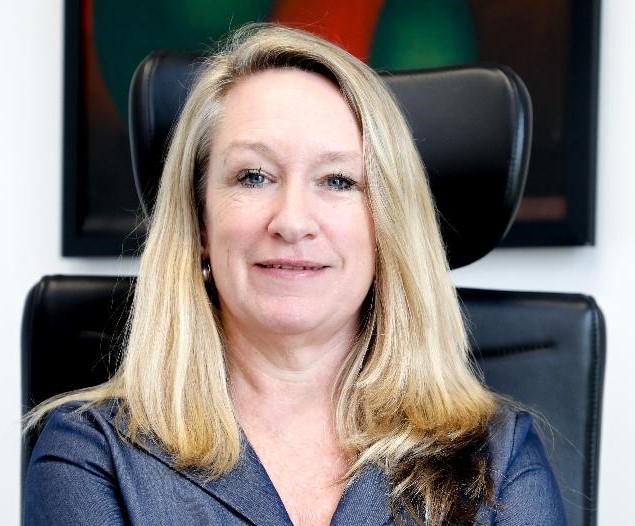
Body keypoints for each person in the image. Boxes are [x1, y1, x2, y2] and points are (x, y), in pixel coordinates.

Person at [24, 24, 566, 526]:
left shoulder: (497, 459)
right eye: (253, 176)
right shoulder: (90, 455)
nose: (292, 221)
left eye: (338, 181)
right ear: (200, 224)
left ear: (387, 228)